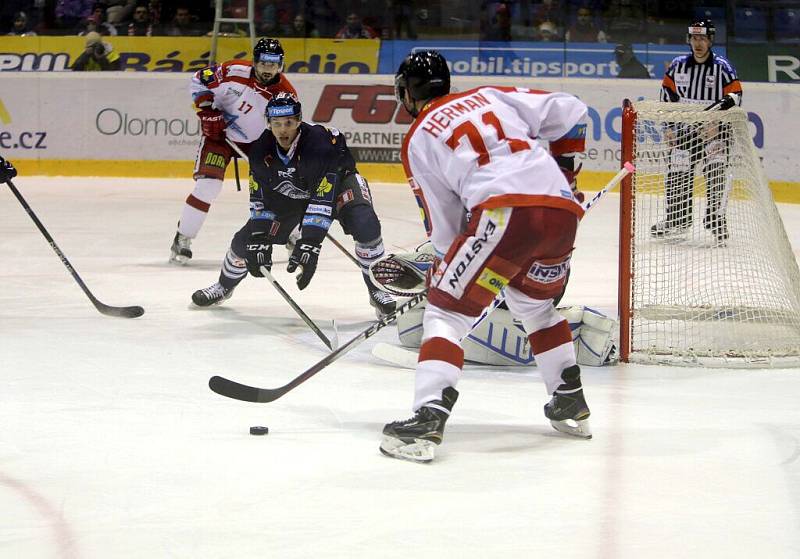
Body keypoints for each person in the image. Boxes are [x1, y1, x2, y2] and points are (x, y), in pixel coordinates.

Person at [380, 51, 592, 463]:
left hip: (504, 214)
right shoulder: (492, 95)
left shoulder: (420, 135)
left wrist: (444, 277)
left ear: (406, 92)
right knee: (535, 308)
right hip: (562, 213)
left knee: (445, 312)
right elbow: (571, 111)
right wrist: (564, 173)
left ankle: (428, 415)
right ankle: (568, 399)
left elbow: (445, 228)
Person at [191, 94, 397, 318]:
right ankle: (223, 286)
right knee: (244, 241)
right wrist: (260, 237)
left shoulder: (319, 144)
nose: (283, 130)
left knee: (364, 223)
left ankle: (378, 290)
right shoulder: (261, 150)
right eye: (277, 124)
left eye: (288, 123)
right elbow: (260, 198)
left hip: (339, 184)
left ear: (299, 120)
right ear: (268, 123)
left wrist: (310, 242)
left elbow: (322, 199)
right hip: (292, 193)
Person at [169, 38, 297, 264]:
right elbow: (199, 80)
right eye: (264, 64)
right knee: (208, 185)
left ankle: (292, 234)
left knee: (282, 188)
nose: (268, 70)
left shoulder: (285, 94)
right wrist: (207, 110)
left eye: (273, 64)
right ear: (255, 62)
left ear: (281, 64)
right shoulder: (233, 70)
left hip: (260, 144)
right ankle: (183, 238)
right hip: (220, 137)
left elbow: (287, 131)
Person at [652, 19, 742, 244]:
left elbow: (735, 96)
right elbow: (666, 98)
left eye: (702, 38)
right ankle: (677, 220)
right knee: (677, 172)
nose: (698, 43)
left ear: (710, 40)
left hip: (715, 132)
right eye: (694, 38)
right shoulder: (677, 65)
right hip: (684, 131)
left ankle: (715, 219)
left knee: (716, 170)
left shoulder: (722, 66)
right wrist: (669, 128)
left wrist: (713, 119)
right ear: (689, 40)